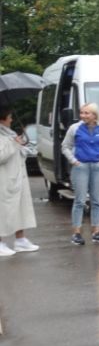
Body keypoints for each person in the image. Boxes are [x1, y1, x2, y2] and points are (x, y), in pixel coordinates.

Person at [61, 102, 99, 245]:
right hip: (81, 167)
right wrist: (73, 160)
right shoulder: (74, 128)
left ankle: (97, 232)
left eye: (86, 113)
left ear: (94, 115)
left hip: (97, 167)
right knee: (80, 201)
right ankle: (76, 233)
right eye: (81, 113)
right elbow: (65, 146)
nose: (82, 115)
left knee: (97, 201)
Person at [0, 107, 39, 256]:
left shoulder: (9, 133)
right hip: (4, 181)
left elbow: (15, 152)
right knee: (3, 211)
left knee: (20, 208)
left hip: (17, 177)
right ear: (2, 119)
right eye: (9, 117)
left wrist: (20, 144)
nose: (11, 119)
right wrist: (14, 144)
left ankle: (20, 240)